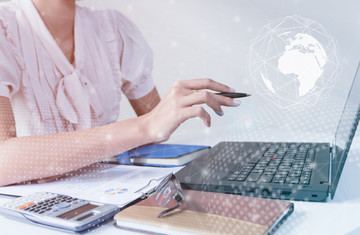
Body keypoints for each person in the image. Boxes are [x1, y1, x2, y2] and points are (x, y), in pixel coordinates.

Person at [0, 0, 241, 186]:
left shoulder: (113, 28)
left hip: (109, 196)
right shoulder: (5, 26)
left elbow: (157, 129)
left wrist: (171, 110)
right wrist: (145, 126)